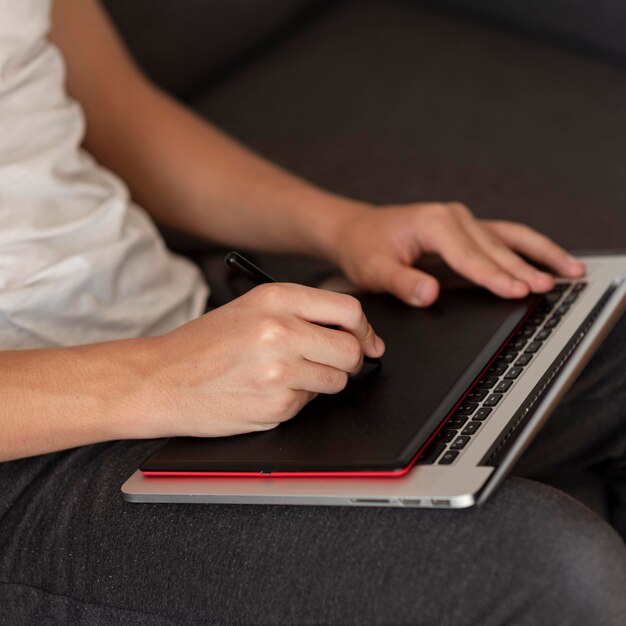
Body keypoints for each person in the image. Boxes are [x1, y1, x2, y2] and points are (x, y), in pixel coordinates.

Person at [0, 1, 624, 624]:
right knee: (552, 572)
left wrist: (345, 226)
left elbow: (115, 112)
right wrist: (158, 374)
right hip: (34, 446)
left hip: (187, 320)